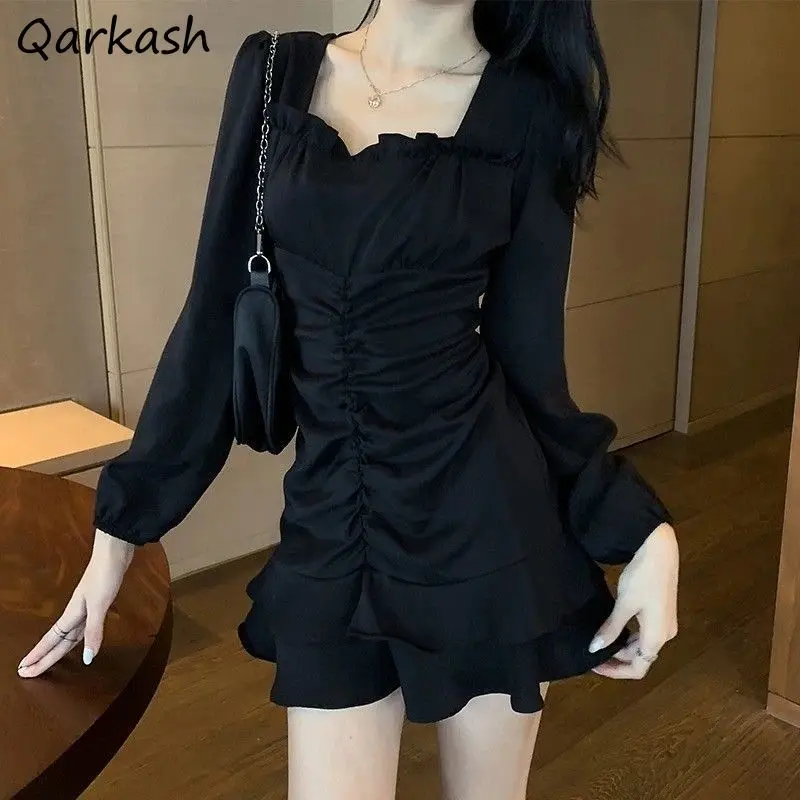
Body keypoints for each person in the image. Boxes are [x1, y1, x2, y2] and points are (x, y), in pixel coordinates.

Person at [18, 1, 680, 798]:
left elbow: (531, 362)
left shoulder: (531, 108)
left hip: (485, 521)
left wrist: (642, 532)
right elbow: (216, 311)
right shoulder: (276, 71)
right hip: (331, 514)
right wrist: (122, 528)